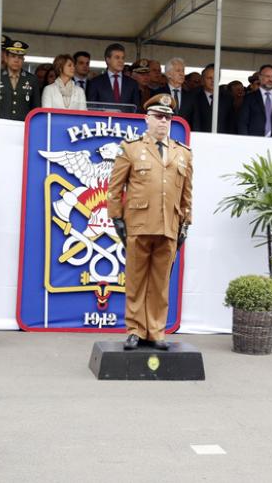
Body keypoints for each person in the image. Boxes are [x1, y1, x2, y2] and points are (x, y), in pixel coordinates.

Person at [107, 94, 192, 351]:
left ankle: (155, 331)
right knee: (135, 279)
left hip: (169, 224)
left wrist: (186, 222)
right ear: (147, 119)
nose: (163, 122)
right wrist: (117, 219)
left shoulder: (183, 153)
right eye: (158, 117)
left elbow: (187, 192)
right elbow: (115, 188)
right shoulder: (131, 148)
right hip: (139, 223)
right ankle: (134, 329)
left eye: (167, 118)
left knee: (160, 282)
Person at [0, 40, 41, 120]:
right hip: (0, 126)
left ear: (23, 60)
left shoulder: (32, 79)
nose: (16, 60)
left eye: (20, 57)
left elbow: (36, 108)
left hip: (23, 127)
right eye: (13, 56)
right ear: (6, 57)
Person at [237, 64, 272, 137]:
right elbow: (242, 123)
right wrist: (246, 142)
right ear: (260, 77)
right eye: (267, 76)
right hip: (254, 142)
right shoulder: (249, 98)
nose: (270, 79)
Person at [86, 43, 141, 110]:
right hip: (103, 120)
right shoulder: (95, 82)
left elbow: (136, 109)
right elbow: (91, 108)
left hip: (126, 120)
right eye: (117, 57)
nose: (121, 61)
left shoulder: (132, 83)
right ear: (108, 60)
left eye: (123, 58)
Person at [190, 63, 232, 133]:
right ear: (203, 79)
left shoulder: (227, 98)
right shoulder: (194, 97)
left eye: (216, 78)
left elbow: (230, 123)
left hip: (222, 139)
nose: (213, 81)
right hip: (200, 138)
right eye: (209, 78)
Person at [151, 57, 194, 124]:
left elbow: (195, 120)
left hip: (184, 133)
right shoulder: (158, 94)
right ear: (168, 74)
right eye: (178, 71)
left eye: (183, 71)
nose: (182, 74)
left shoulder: (190, 96)